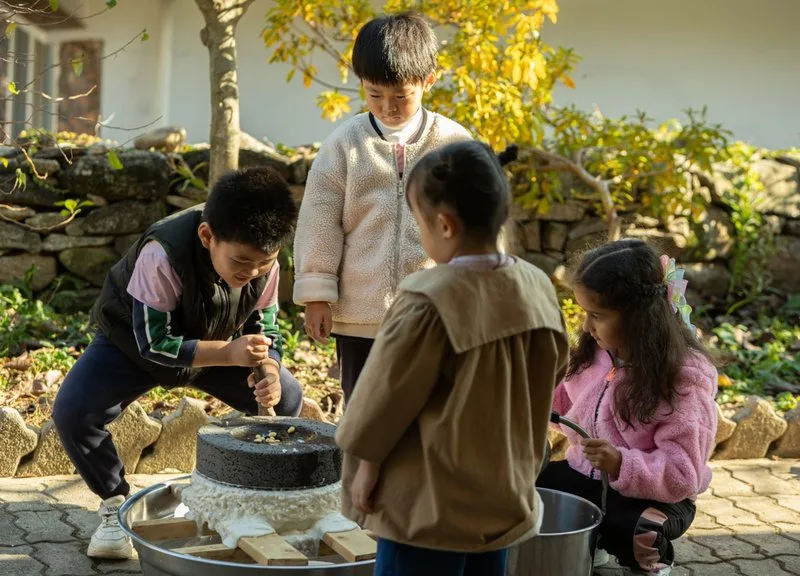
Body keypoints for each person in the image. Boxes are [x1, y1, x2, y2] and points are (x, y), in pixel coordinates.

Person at [334, 140, 570, 576]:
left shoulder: (428, 299)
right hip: (501, 493)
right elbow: (555, 367)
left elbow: (384, 399)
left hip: (428, 505)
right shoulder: (537, 287)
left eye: (419, 222)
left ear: (444, 225)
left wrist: (367, 468)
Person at [52, 166, 304, 560]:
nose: (253, 272)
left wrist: (269, 368)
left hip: (219, 345)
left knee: (286, 399)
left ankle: (257, 500)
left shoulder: (263, 262)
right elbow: (155, 343)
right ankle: (115, 504)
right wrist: (228, 353)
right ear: (207, 236)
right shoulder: (162, 252)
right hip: (133, 345)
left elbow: (266, 327)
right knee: (73, 411)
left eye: (264, 262)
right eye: (242, 261)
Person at [292, 10, 474, 404]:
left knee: (433, 406)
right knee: (363, 407)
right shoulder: (344, 144)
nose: (387, 107)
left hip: (433, 313)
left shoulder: (455, 144)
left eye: (401, 96)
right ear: (361, 83)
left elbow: (477, 224)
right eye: (374, 94)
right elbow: (319, 222)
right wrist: (317, 295)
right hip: (360, 316)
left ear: (428, 81)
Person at [537, 239, 719, 576]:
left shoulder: (682, 377)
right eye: (585, 313)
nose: (586, 326)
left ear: (639, 318)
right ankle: (590, 543)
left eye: (596, 315)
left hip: (655, 494)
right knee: (529, 492)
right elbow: (567, 407)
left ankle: (653, 562)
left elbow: (683, 473)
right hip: (587, 475)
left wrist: (621, 463)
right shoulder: (596, 353)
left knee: (638, 529)